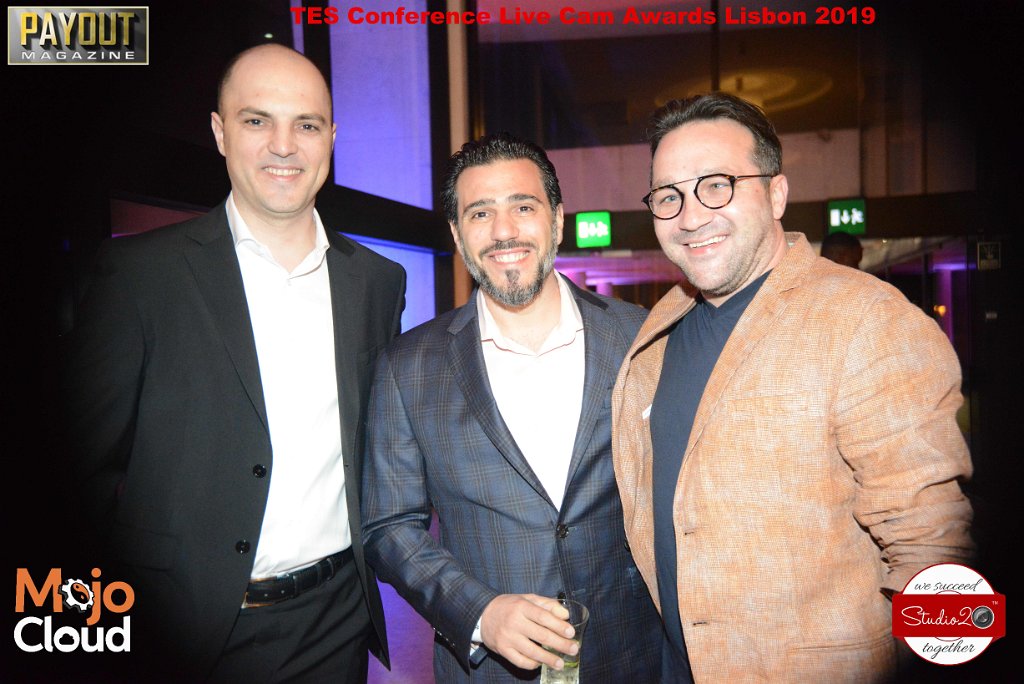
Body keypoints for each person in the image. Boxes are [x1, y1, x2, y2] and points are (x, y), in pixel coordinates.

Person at [65, 44, 405, 682]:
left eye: (306, 125)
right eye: (257, 121)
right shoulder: (139, 277)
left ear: (331, 139)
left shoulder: (378, 283)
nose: (284, 146)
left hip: (336, 623)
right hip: (185, 628)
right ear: (220, 133)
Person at [612, 93, 974, 682]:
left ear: (776, 194)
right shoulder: (659, 331)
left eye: (717, 185)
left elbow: (934, 542)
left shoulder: (868, 318)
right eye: (669, 196)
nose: (690, 216)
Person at [362, 133, 661, 682]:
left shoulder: (641, 337)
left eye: (523, 207)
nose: (504, 231)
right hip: (491, 672)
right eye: (480, 213)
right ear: (458, 234)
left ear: (558, 220)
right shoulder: (408, 367)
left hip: (629, 657)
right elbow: (389, 527)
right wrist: (479, 612)